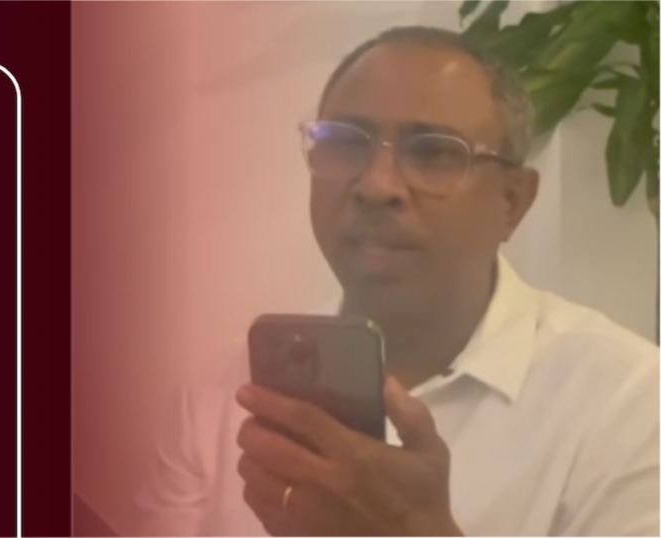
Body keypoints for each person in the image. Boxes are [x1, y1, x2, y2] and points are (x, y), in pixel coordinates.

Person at [134, 26, 661, 538]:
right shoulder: (223, 397)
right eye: (344, 143)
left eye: (433, 153)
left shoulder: (629, 405)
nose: (377, 185)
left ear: (512, 202)